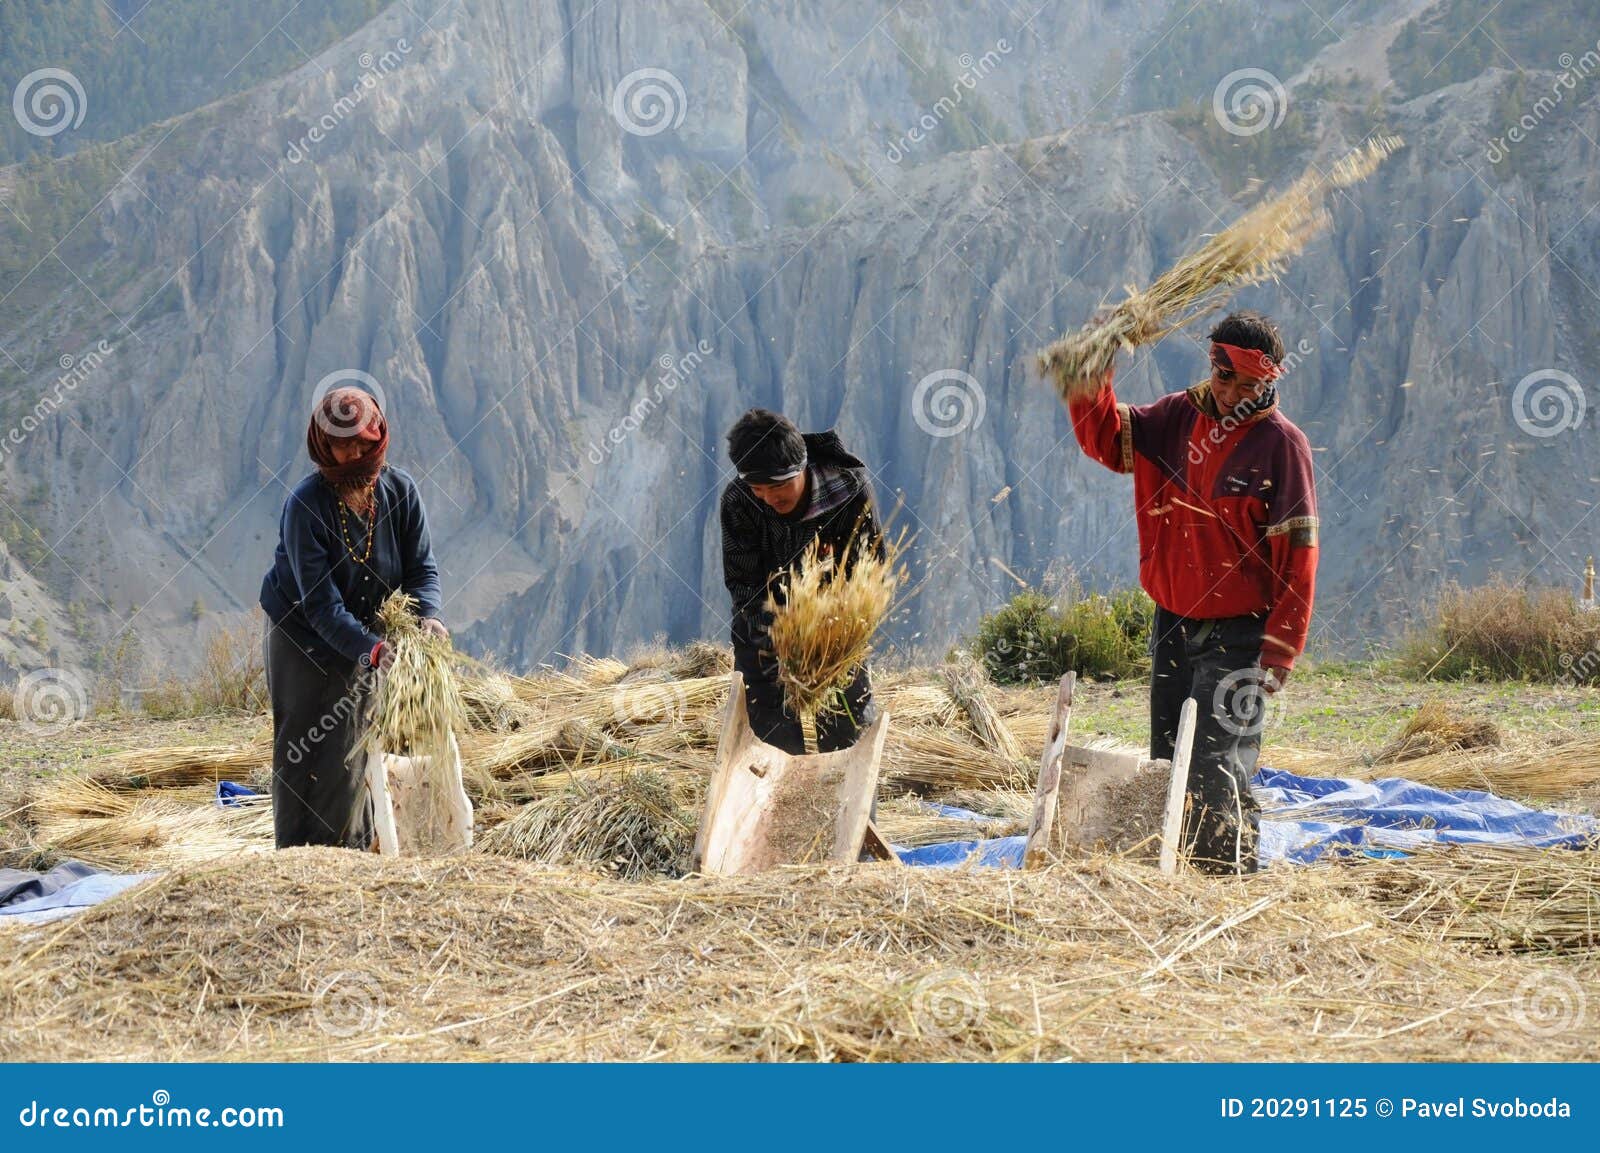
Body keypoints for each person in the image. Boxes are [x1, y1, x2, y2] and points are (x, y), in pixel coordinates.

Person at [1066, 311, 1318, 875]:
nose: (1232, 394)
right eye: (1224, 377)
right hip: (1172, 622)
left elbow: (1298, 558)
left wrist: (1281, 648)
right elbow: (1107, 439)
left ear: (1270, 381)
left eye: (1248, 385)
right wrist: (1091, 371)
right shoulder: (1173, 418)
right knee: (1167, 759)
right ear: (1212, 365)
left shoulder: (1282, 447)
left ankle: (1226, 882)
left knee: (1214, 762)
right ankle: (1177, 872)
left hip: (1242, 634)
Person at [258, 387, 447, 849]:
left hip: (366, 637)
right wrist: (373, 650)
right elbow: (320, 607)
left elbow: (422, 569)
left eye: (365, 444)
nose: (356, 455)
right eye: (345, 446)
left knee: (356, 738)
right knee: (309, 744)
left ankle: (355, 849)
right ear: (324, 447)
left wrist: (425, 616)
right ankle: (304, 856)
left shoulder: (401, 492)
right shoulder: (306, 507)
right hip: (303, 636)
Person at [719, 408, 883, 754]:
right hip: (763, 629)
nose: (768, 496)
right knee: (766, 735)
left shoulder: (849, 491)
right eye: (758, 487)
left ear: (802, 467)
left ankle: (848, 805)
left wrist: (825, 628)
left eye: (778, 485)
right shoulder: (739, 501)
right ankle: (774, 803)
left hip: (835, 632)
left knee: (847, 725)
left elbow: (868, 569)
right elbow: (743, 584)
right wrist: (781, 631)